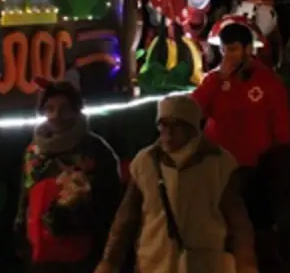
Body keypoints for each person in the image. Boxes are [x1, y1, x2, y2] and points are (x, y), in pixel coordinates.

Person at [97, 95, 257, 273]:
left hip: (206, 264)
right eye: (163, 125)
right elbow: (126, 219)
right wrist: (109, 261)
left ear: (192, 128)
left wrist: (246, 263)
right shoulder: (145, 162)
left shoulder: (219, 163)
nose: (168, 132)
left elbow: (238, 222)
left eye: (177, 125)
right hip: (156, 263)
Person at [192, 18, 290, 266]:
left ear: (248, 49)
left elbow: (281, 128)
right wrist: (217, 79)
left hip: (255, 172)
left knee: (255, 233)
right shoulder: (214, 80)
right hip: (218, 170)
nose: (228, 56)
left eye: (234, 49)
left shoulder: (268, 81)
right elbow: (192, 110)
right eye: (224, 50)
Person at [14, 80, 122, 273]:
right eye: (50, 108)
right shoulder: (34, 152)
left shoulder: (95, 150)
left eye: (64, 108)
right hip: (40, 256)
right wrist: (21, 239)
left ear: (76, 110)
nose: (56, 115)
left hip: (81, 258)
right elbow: (25, 197)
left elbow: (111, 204)